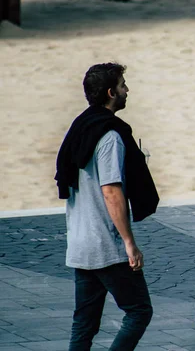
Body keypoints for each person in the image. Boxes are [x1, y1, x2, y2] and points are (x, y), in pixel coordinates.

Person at [55, 63, 159, 350]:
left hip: (80, 241)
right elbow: (112, 191)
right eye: (124, 85)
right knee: (139, 312)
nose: (128, 90)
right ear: (112, 93)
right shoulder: (110, 136)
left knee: (84, 324)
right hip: (106, 245)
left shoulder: (80, 127)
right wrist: (129, 242)